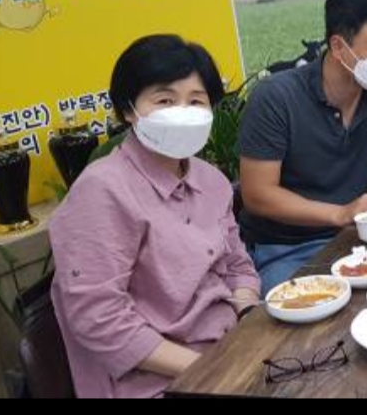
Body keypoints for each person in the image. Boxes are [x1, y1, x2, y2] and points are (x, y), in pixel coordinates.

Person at [50, 34, 261, 398]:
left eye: (196, 101)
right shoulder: (102, 190)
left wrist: (248, 327)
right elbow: (98, 317)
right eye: (164, 100)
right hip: (154, 377)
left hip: (228, 350)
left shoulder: (210, 181)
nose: (182, 111)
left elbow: (238, 267)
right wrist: (209, 368)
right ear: (128, 109)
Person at [238, 0, 367, 293]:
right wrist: (340, 213)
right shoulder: (276, 97)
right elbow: (257, 195)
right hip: (286, 250)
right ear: (338, 47)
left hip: (356, 240)